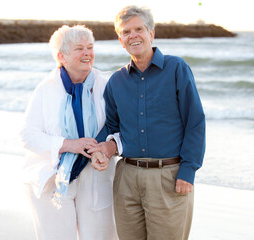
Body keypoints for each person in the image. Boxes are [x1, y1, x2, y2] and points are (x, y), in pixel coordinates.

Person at [88, 5, 206, 240]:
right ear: (121, 41)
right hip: (127, 178)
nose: (133, 35)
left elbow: (195, 121)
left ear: (151, 33)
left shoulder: (176, 68)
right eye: (126, 32)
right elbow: (113, 127)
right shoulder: (116, 81)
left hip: (169, 177)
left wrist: (188, 170)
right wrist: (99, 148)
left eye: (138, 29)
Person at [20, 25, 118, 240]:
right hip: (53, 178)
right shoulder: (46, 88)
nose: (87, 53)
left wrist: (108, 148)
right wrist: (69, 144)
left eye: (90, 47)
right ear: (61, 56)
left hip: (96, 176)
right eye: (79, 48)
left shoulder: (107, 85)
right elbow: (27, 135)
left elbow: (121, 126)